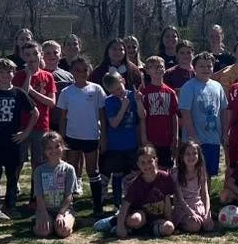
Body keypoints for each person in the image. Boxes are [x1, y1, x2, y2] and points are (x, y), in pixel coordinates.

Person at [0, 58, 36, 221]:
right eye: (1, 72)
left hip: (13, 140)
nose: (5, 75)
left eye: (9, 72)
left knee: (13, 176)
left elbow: (35, 113)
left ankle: (11, 207)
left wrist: (26, 132)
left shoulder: (19, 93)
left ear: (14, 73)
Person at [57, 55, 106, 215]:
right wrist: (62, 139)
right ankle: (68, 205)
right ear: (72, 71)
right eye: (77, 70)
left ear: (89, 70)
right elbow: (62, 118)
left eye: (84, 70)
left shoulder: (96, 89)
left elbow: (102, 115)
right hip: (72, 137)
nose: (81, 73)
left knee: (93, 171)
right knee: (71, 170)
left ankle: (97, 206)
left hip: (91, 137)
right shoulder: (66, 92)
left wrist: (103, 137)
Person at [16, 42, 59, 206]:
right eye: (27, 55)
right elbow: (21, 96)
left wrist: (33, 92)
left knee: (39, 162)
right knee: (18, 161)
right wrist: (28, 77)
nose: (31, 58)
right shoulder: (19, 76)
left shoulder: (47, 76)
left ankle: (36, 196)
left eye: (35, 54)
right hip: (22, 125)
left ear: (41, 55)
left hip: (41, 126)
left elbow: (51, 102)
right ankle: (12, 195)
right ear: (23, 56)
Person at [178, 51, 228, 180]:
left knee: (208, 173)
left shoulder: (217, 86)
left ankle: (207, 193)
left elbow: (223, 110)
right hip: (194, 141)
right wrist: (193, 136)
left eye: (209, 66)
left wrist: (224, 133)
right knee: (192, 173)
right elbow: (185, 113)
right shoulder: (189, 87)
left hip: (213, 139)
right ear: (194, 68)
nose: (206, 69)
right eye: (201, 66)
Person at [101, 72, 143, 213]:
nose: (118, 93)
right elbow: (113, 123)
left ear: (123, 81)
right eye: (113, 91)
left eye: (119, 89)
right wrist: (123, 106)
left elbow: (142, 116)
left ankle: (133, 200)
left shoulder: (133, 95)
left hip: (132, 143)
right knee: (117, 174)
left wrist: (138, 101)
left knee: (134, 173)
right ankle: (118, 203)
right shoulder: (109, 101)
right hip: (116, 146)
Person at [115, 145, 177, 238]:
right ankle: (116, 222)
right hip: (142, 216)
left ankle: (144, 231)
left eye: (150, 161)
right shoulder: (136, 183)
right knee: (135, 220)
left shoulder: (165, 177)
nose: (147, 165)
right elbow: (125, 204)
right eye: (143, 163)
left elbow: (168, 202)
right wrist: (120, 226)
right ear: (138, 164)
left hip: (158, 218)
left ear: (156, 160)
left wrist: (170, 220)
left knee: (169, 227)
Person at [33, 131, 78, 239]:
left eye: (57, 146)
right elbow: (39, 195)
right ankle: (41, 222)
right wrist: (43, 213)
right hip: (45, 210)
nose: (54, 150)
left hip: (64, 209)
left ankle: (68, 221)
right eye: (49, 148)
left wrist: (61, 214)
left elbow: (69, 196)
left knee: (63, 231)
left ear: (62, 147)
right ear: (44, 151)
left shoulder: (69, 169)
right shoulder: (39, 170)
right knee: (43, 232)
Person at [138, 55, 180, 168]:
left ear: (165, 69)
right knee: (151, 167)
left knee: (166, 167)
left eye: (160, 66)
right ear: (147, 71)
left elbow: (174, 115)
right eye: (153, 67)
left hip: (166, 139)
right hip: (151, 138)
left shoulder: (170, 92)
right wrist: (144, 138)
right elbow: (142, 117)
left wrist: (175, 137)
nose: (157, 69)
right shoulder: (144, 92)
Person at [172, 138, 215, 233]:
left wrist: (207, 213)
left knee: (209, 226)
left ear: (199, 155)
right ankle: (178, 226)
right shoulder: (176, 172)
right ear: (182, 156)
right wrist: (192, 214)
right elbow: (180, 199)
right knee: (194, 226)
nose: (191, 156)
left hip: (198, 205)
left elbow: (205, 194)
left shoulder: (201, 171)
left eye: (194, 153)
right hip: (183, 208)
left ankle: (202, 218)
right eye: (187, 154)